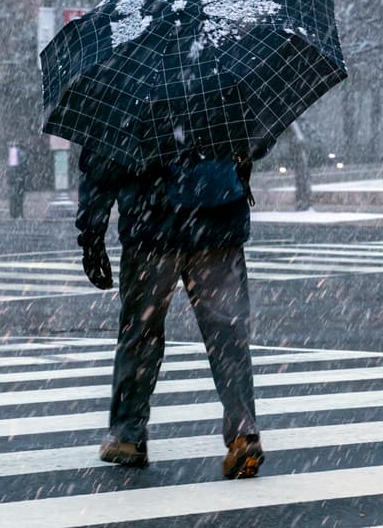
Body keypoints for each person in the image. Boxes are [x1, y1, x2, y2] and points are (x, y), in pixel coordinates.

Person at [74, 149, 264, 480]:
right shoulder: (219, 98)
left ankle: (128, 435)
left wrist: (92, 234)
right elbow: (250, 144)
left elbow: (102, 163)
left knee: (141, 333)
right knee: (227, 334)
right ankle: (243, 433)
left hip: (152, 226)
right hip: (218, 222)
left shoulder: (127, 101)